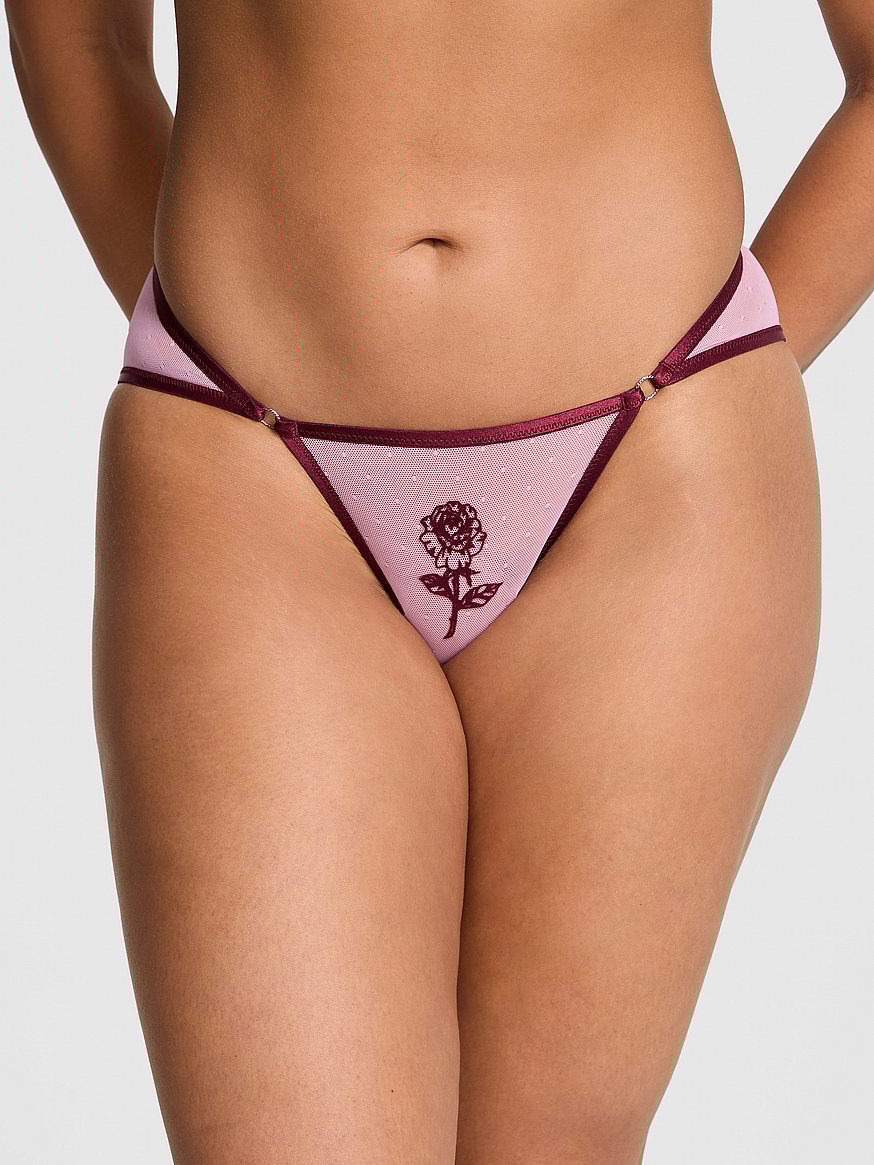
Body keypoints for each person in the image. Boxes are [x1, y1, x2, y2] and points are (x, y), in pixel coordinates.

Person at [7, 1, 872, 1161]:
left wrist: (721, 360)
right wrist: (229, 339)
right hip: (247, 467)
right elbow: (77, 35)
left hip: (651, 471)